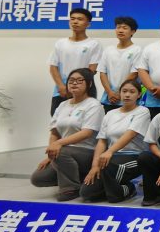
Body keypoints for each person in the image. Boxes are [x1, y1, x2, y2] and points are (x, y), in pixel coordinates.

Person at [31, 68, 105, 201]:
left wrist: (58, 144)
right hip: (64, 152)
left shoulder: (94, 105)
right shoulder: (62, 105)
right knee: (38, 178)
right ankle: (78, 178)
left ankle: (71, 189)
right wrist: (51, 154)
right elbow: (54, 132)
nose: (74, 83)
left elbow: (87, 132)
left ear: (89, 84)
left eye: (79, 80)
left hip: (87, 152)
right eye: (71, 81)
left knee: (62, 152)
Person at [80, 79, 150, 202]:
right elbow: (102, 141)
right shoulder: (110, 114)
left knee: (107, 174)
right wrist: (95, 166)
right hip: (112, 158)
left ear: (139, 94)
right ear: (120, 93)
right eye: (124, 91)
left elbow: (130, 134)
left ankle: (125, 190)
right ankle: (120, 188)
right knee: (86, 193)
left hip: (134, 157)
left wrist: (109, 151)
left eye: (132, 92)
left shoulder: (143, 111)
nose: (127, 95)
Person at [48, 7, 102, 115]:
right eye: (72, 19)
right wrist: (61, 86)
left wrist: (76, 86)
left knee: (85, 120)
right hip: (61, 91)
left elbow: (92, 70)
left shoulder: (94, 44)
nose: (75, 22)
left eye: (80, 19)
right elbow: (53, 66)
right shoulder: (60, 43)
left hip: (84, 92)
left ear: (88, 24)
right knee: (57, 120)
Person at [97, 16, 142, 113]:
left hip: (129, 98)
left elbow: (134, 74)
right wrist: (109, 92)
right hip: (110, 98)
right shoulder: (108, 50)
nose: (120, 30)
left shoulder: (137, 50)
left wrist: (120, 92)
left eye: (125, 28)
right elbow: (102, 73)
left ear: (133, 31)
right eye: (118, 27)